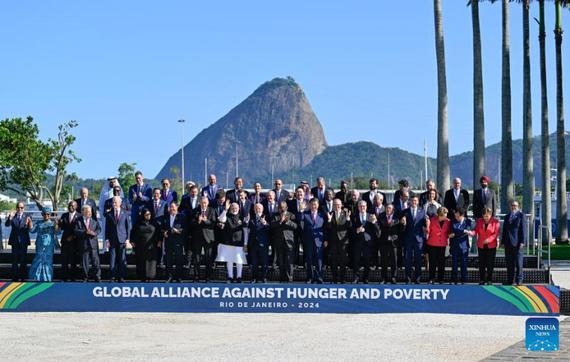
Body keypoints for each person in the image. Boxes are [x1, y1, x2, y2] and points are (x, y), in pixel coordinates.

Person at [217, 203, 248, 283]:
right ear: (231, 208)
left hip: (239, 242)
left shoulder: (242, 217)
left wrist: (245, 243)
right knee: (229, 260)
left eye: (236, 207)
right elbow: (221, 219)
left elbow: (245, 231)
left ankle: (239, 277)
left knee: (239, 260)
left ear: (239, 208)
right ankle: (230, 277)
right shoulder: (227, 215)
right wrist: (225, 210)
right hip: (228, 242)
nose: (235, 209)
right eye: (233, 207)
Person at [351, 200, 380, 284]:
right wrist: (357, 230)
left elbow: (377, 230)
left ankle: (365, 278)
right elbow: (350, 230)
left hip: (368, 243)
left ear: (366, 207)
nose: (362, 208)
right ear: (358, 207)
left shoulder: (371, 216)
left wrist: (374, 222)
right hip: (357, 242)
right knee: (356, 260)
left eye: (364, 206)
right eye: (360, 206)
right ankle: (356, 277)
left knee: (367, 261)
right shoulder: (354, 216)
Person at [191, 197, 218, 282]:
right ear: (199, 203)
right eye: (202, 203)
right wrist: (198, 221)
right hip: (197, 237)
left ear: (208, 203)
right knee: (196, 258)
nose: (204, 204)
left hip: (208, 238)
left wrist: (206, 221)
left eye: (205, 203)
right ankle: (196, 276)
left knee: (208, 258)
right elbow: (191, 223)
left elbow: (214, 223)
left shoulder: (212, 210)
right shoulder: (195, 210)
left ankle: (208, 277)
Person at [470, 207, 500, 285]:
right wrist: (471, 233)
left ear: (490, 215)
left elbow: (496, 234)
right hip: (481, 245)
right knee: (482, 263)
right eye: (484, 216)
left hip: (491, 245)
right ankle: (482, 279)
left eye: (487, 216)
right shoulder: (479, 221)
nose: (486, 217)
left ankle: (489, 279)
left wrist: (488, 240)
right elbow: (476, 230)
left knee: (490, 263)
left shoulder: (495, 222)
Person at [28, 207, 58, 281]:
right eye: (44, 214)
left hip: (49, 247)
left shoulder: (53, 223)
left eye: (48, 214)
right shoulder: (38, 223)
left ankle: (47, 278)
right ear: (42, 214)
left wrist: (57, 224)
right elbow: (31, 230)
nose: (46, 215)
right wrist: (30, 221)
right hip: (40, 246)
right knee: (38, 260)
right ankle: (36, 278)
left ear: (50, 214)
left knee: (48, 262)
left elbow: (57, 232)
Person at [402, 196, 427, 284]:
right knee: (407, 259)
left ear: (418, 201)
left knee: (418, 260)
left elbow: (425, 224)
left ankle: (418, 278)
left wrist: (427, 223)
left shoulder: (422, 211)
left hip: (418, 239)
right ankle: (408, 278)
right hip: (408, 239)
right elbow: (402, 227)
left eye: (415, 200)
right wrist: (403, 223)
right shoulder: (405, 211)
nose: (414, 202)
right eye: (412, 200)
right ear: (410, 201)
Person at [326, 199, 352, 284]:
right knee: (333, 261)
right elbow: (328, 228)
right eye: (335, 204)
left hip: (343, 241)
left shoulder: (345, 214)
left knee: (343, 261)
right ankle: (334, 279)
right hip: (333, 241)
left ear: (341, 205)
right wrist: (329, 221)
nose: (337, 206)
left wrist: (348, 219)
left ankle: (342, 279)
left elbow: (349, 227)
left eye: (338, 204)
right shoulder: (330, 214)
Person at [300, 198, 326, 284]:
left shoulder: (322, 215)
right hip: (308, 241)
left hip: (319, 241)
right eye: (312, 204)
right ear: (309, 205)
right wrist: (301, 210)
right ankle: (310, 278)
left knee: (319, 261)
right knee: (309, 260)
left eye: (315, 204)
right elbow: (300, 223)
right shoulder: (305, 214)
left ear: (318, 205)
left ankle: (319, 277)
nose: (313, 206)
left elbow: (325, 228)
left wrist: (325, 239)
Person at [270, 201, 297, 282]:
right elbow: (271, 226)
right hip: (279, 241)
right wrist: (280, 221)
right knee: (281, 261)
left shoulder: (291, 215)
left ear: (286, 208)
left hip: (289, 242)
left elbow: (295, 226)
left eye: (283, 207)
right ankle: (282, 278)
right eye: (280, 207)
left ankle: (289, 279)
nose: (281, 209)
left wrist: (287, 221)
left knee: (289, 261)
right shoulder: (275, 216)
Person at [130, 207, 160, 282]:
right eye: (146, 214)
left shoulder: (154, 223)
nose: (148, 216)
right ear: (143, 215)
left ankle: (150, 278)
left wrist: (160, 241)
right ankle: (142, 277)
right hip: (141, 246)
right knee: (141, 262)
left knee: (151, 263)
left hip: (151, 246)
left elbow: (159, 233)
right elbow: (133, 232)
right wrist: (132, 241)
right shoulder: (138, 223)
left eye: (149, 214)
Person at [105, 196, 130, 282]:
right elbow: (107, 228)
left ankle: (121, 277)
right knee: (112, 259)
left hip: (122, 240)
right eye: (113, 202)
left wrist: (127, 239)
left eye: (115, 202)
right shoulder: (109, 214)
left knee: (121, 259)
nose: (114, 204)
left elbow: (128, 227)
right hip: (112, 240)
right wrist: (107, 240)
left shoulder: (125, 213)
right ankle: (112, 277)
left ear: (120, 203)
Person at [502, 200, 527, 285]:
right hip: (508, 243)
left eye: (515, 205)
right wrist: (503, 242)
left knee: (519, 263)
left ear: (518, 206)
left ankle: (519, 280)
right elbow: (504, 230)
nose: (513, 207)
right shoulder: (507, 216)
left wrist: (523, 241)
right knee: (509, 263)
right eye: (512, 205)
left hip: (517, 243)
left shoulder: (521, 215)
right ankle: (510, 280)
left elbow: (524, 230)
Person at [5, 202, 31, 281]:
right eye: (18, 207)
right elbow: (7, 225)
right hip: (14, 241)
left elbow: (30, 228)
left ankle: (23, 277)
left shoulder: (27, 216)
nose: (20, 209)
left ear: (24, 208)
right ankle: (15, 278)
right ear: (16, 208)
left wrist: (29, 223)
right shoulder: (13, 216)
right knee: (15, 260)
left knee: (23, 260)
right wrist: (9, 218)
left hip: (24, 241)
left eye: (21, 207)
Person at [75, 205, 101, 282]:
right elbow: (76, 231)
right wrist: (85, 232)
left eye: (90, 212)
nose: (89, 213)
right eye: (87, 212)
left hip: (93, 244)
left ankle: (97, 277)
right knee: (84, 263)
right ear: (83, 212)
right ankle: (85, 277)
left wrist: (94, 233)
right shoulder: (78, 220)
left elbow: (99, 229)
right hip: (84, 244)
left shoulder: (94, 220)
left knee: (96, 262)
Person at [425, 207, 451, 284]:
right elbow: (428, 231)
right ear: (440, 215)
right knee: (432, 262)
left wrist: (449, 235)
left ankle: (441, 279)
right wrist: (427, 226)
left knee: (441, 263)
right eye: (444, 215)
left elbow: (449, 231)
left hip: (442, 244)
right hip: (432, 244)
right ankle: (431, 278)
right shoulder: (432, 220)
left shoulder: (448, 221)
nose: (446, 217)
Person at [378, 204, 402, 284]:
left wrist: (404, 224)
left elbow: (400, 229)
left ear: (393, 209)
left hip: (394, 242)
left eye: (390, 208)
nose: (388, 209)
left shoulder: (397, 216)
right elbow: (378, 228)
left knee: (394, 261)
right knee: (383, 260)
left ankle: (393, 277)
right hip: (383, 241)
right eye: (387, 208)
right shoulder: (381, 216)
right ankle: (383, 278)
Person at [449, 208, 473, 284]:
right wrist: (463, 231)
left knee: (464, 264)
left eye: (458, 216)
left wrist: (457, 233)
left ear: (462, 215)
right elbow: (453, 229)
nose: (456, 218)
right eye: (455, 216)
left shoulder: (468, 221)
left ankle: (464, 280)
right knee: (454, 264)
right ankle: (454, 280)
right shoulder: (452, 221)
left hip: (464, 246)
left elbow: (468, 230)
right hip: (454, 246)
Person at [248, 203, 270, 283]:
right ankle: (254, 278)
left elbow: (270, 228)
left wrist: (265, 223)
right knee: (254, 262)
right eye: (256, 208)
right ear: (254, 210)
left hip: (263, 243)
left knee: (264, 262)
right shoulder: (251, 219)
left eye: (259, 208)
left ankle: (264, 277)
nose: (258, 210)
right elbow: (248, 230)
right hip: (254, 244)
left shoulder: (267, 217)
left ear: (262, 209)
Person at [59, 200, 80, 281]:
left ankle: (73, 278)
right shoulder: (64, 215)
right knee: (64, 261)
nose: (71, 207)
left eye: (72, 205)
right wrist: (58, 223)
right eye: (69, 205)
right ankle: (64, 278)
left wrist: (73, 236)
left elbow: (80, 229)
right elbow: (62, 227)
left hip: (74, 242)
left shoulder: (79, 216)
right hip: (65, 241)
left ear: (76, 207)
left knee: (73, 261)